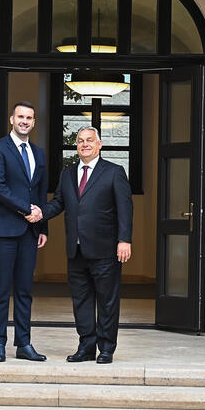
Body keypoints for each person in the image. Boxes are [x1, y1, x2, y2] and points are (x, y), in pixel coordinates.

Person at [33, 126, 133, 364]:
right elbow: (58, 203)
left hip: (106, 250)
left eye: (90, 140)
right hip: (75, 250)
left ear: (99, 145)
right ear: (76, 146)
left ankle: (106, 348)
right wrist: (39, 214)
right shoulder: (67, 174)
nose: (84, 144)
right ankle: (86, 347)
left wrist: (124, 240)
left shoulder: (114, 172)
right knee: (81, 301)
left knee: (107, 301)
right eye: (80, 141)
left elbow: (125, 209)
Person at [0, 101, 48, 363]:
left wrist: (42, 226)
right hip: (2, 230)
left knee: (24, 290)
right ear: (11, 119)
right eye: (20, 116)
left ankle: (24, 344)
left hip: (30, 232)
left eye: (29, 117)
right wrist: (25, 209)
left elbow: (40, 191)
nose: (24, 121)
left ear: (33, 122)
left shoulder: (38, 153)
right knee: (0, 290)